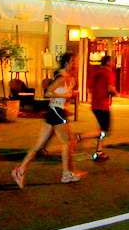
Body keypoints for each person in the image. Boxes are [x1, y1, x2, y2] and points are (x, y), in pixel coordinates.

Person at [12, 53, 81, 187]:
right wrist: (64, 94)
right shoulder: (62, 78)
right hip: (56, 111)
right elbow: (48, 92)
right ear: (68, 62)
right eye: (74, 62)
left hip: (54, 111)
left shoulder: (67, 77)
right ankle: (66, 174)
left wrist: (67, 94)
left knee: (39, 146)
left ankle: (19, 170)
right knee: (68, 142)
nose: (76, 64)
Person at [77, 55, 118, 161]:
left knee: (102, 129)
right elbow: (110, 89)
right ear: (108, 62)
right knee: (104, 131)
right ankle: (80, 136)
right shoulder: (109, 73)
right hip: (103, 105)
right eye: (112, 61)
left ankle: (99, 152)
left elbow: (89, 87)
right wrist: (116, 93)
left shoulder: (97, 72)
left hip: (94, 104)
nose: (114, 63)